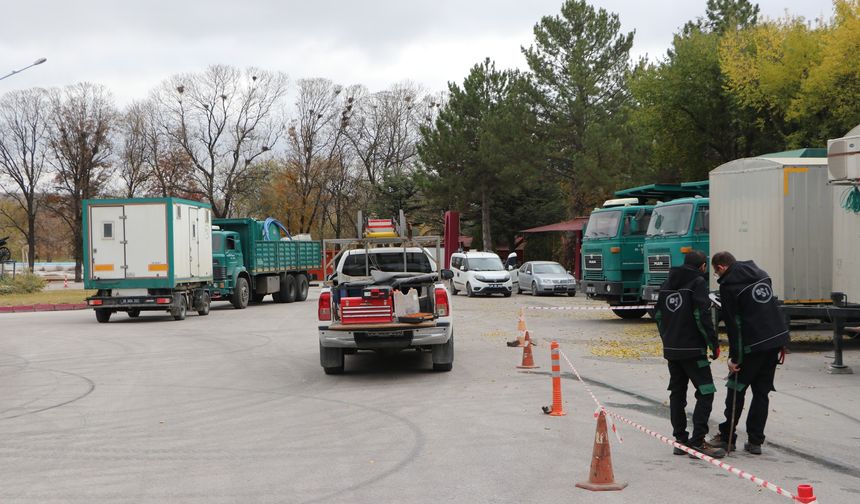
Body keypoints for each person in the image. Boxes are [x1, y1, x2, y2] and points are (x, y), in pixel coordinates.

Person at [708, 251, 789, 455]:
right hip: (774, 341)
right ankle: (755, 441)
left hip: (752, 346)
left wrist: (734, 358)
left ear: (722, 267)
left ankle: (727, 438)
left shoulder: (729, 286)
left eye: (716, 272)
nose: (717, 277)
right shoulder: (761, 274)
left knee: (736, 390)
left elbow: (735, 325)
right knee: (762, 392)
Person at [655, 250, 725, 459]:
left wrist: (667, 340)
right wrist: (713, 343)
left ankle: (680, 441)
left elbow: (658, 315)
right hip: (693, 351)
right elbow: (701, 315)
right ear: (702, 266)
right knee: (706, 392)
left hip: (673, 351)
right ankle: (698, 442)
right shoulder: (697, 283)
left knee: (677, 394)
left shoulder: (667, 284)